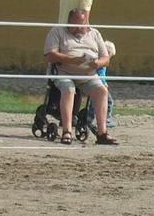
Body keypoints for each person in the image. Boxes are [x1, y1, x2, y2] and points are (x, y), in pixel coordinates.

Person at [43, 8, 118, 145]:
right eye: (75, 25)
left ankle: (102, 133)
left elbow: (106, 59)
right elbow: (49, 55)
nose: (78, 28)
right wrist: (70, 59)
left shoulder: (95, 34)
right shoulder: (57, 32)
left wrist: (97, 63)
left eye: (81, 24)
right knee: (69, 90)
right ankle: (67, 131)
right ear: (68, 22)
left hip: (88, 74)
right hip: (64, 72)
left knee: (102, 91)